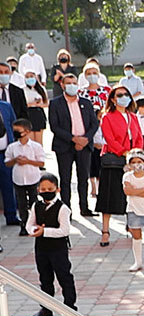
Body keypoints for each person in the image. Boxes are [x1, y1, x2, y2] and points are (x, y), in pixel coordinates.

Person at [95, 85, 143, 248]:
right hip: (114, 160)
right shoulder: (107, 117)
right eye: (119, 95)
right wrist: (124, 152)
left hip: (132, 160)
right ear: (113, 99)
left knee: (130, 195)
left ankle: (131, 225)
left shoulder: (133, 117)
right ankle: (105, 231)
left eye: (126, 94)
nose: (123, 97)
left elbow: (139, 137)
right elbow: (109, 138)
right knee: (109, 195)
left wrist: (136, 154)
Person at [48, 73, 98, 217]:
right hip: (64, 147)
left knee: (83, 177)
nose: (72, 85)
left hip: (84, 146)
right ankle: (66, 211)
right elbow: (55, 127)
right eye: (68, 83)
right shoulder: (55, 103)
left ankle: (85, 208)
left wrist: (85, 139)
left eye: (74, 83)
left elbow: (94, 124)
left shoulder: (86, 102)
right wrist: (73, 139)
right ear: (62, 85)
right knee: (65, 180)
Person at [28, 173, 77, 316]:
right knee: (45, 278)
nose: (46, 192)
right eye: (43, 189)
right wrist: (33, 230)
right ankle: (46, 308)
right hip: (41, 248)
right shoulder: (36, 206)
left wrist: (45, 231)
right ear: (38, 190)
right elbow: (30, 223)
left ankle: (70, 307)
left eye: (50, 188)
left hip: (58, 249)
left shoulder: (63, 208)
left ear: (57, 189)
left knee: (64, 277)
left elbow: (64, 230)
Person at [5, 118, 44, 234]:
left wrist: (28, 161)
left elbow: (41, 162)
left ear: (27, 131)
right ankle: (24, 224)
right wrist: (15, 160)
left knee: (33, 202)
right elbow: (7, 162)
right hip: (18, 178)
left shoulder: (36, 146)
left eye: (18, 130)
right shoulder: (12, 147)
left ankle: (35, 223)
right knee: (21, 203)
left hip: (33, 177)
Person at [79, 62, 110, 200]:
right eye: (89, 73)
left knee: (103, 158)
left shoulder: (106, 91)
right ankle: (92, 186)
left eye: (94, 73)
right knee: (90, 159)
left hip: (104, 128)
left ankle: (103, 185)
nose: (92, 76)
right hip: (87, 129)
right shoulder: (81, 92)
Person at [20, 71, 48, 145]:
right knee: (30, 141)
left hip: (39, 114)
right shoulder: (22, 89)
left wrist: (39, 104)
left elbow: (46, 103)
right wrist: (32, 104)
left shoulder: (41, 89)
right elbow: (21, 105)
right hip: (28, 114)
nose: (30, 78)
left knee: (39, 142)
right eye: (27, 77)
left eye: (31, 76)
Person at [0, 98, 15, 228]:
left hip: (5, 153)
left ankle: (11, 215)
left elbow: (13, 125)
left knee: (8, 185)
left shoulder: (6, 106)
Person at [0, 63, 29, 129]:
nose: (3, 75)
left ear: (10, 74)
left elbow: (24, 112)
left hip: (13, 129)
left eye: (6, 72)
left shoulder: (18, 91)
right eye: (0, 72)